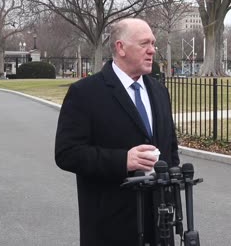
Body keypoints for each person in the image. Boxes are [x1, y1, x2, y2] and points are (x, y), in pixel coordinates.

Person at [55, 18, 180, 246]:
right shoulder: (85, 93)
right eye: (144, 44)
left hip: (159, 227)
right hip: (110, 228)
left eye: (153, 43)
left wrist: (170, 190)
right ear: (120, 47)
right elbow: (67, 153)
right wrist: (124, 160)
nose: (152, 50)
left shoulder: (160, 92)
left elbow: (170, 147)